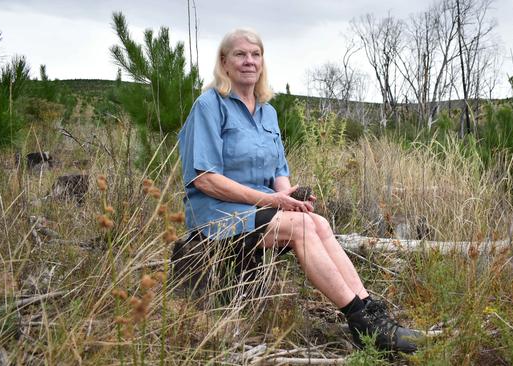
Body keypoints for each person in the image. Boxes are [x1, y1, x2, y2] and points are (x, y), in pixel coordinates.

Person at [176, 28, 422, 353]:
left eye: (255, 54)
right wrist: (270, 199)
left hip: (257, 211)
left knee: (317, 222)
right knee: (302, 228)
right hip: (215, 214)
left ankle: (370, 311)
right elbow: (204, 178)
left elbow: (278, 171)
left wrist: (288, 196)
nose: (249, 61)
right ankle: (361, 322)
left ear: (262, 62)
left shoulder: (268, 111)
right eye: (240, 54)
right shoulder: (210, 105)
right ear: (224, 61)